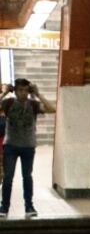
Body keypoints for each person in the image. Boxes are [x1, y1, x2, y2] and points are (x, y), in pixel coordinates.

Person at [1, 79, 56, 218]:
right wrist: (4, 93)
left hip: (28, 146)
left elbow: (52, 109)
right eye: (20, 90)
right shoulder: (9, 103)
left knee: (27, 177)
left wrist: (37, 94)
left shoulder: (33, 104)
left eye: (26, 90)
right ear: (15, 91)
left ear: (28, 91)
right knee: (8, 177)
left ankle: (29, 206)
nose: (23, 93)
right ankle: (4, 207)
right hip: (10, 146)